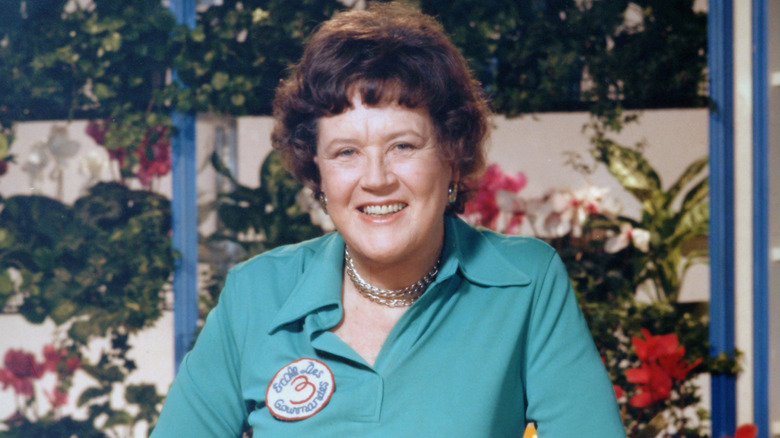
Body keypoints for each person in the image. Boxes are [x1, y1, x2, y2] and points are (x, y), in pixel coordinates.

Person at [152, 3, 625, 437]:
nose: (375, 179)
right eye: (346, 152)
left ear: (452, 155)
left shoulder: (525, 283)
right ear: (316, 169)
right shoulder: (255, 294)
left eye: (403, 146)